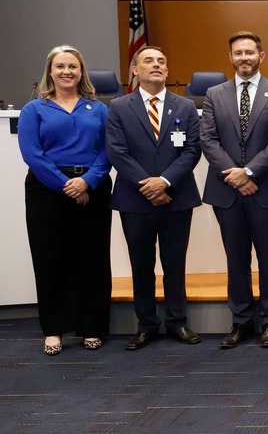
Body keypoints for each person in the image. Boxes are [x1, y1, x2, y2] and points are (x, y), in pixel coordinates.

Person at [200, 31, 268, 349]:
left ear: (261, 56)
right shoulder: (214, 94)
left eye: (250, 53)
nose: (244, 58)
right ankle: (241, 321)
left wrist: (250, 172)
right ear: (230, 57)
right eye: (238, 53)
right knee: (235, 258)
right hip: (227, 191)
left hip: (267, 189)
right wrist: (235, 175)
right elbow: (208, 140)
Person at [106, 46, 203, 350]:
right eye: (148, 60)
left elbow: (192, 150)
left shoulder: (185, 107)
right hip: (134, 200)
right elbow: (117, 151)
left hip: (177, 197)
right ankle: (146, 324)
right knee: (141, 264)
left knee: (175, 263)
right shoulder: (119, 107)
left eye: (162, 61)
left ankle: (177, 322)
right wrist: (146, 185)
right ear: (135, 70)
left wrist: (164, 182)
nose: (157, 65)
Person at [18, 45, 112, 355]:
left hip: (93, 188)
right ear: (50, 71)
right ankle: (54, 330)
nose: (67, 71)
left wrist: (87, 181)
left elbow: (107, 150)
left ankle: (93, 327)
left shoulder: (98, 108)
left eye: (72, 66)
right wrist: (66, 185)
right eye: (60, 66)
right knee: (50, 259)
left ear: (81, 72)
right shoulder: (35, 109)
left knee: (93, 259)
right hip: (47, 190)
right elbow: (33, 154)